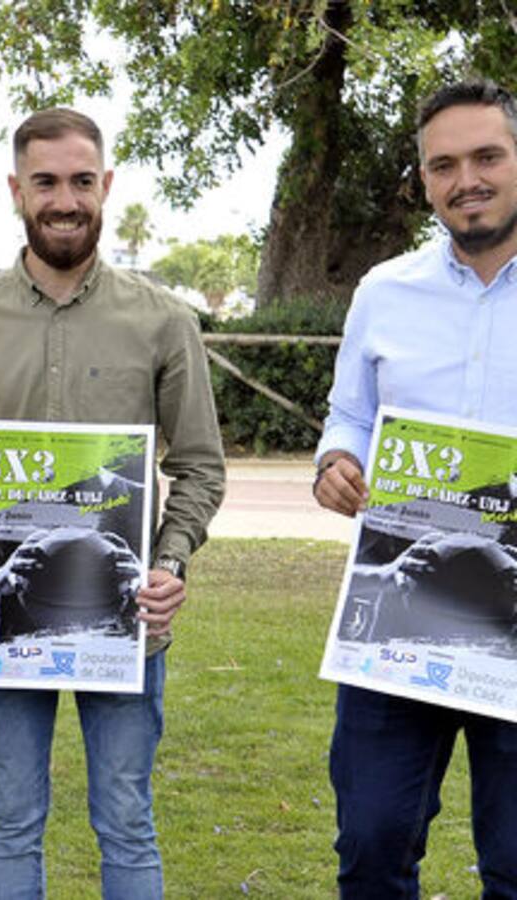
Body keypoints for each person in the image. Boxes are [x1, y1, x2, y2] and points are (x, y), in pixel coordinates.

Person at [0, 108, 225, 899]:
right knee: (13, 820)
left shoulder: (162, 320)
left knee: (125, 817)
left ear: (106, 186)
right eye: (45, 182)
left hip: (127, 617)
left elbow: (197, 465)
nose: (65, 199)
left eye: (82, 181)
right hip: (9, 617)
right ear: (16, 190)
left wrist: (170, 562)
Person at [313, 79, 517, 896]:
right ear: (425, 179)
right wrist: (336, 462)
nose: (466, 178)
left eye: (487, 156)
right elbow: (348, 415)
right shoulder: (383, 290)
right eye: (444, 164)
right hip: (398, 613)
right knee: (370, 845)